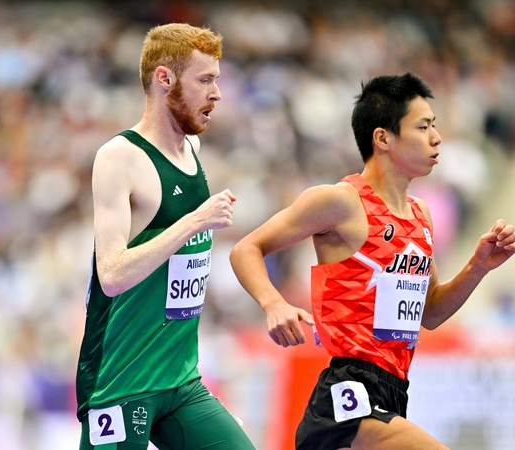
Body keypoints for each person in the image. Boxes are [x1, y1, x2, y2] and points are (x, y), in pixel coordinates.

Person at [230, 72, 515, 450]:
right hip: (348, 396)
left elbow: (429, 314)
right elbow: (245, 249)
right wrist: (274, 303)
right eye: (423, 126)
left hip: (394, 392)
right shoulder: (341, 202)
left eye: (435, 126)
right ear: (383, 138)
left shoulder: (421, 216)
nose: (437, 137)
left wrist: (477, 267)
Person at [75, 23, 255, 450]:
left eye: (217, 79)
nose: (217, 93)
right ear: (164, 79)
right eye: (205, 80)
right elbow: (113, 275)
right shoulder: (119, 157)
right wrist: (193, 222)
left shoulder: (193, 151)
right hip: (121, 381)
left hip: (181, 380)